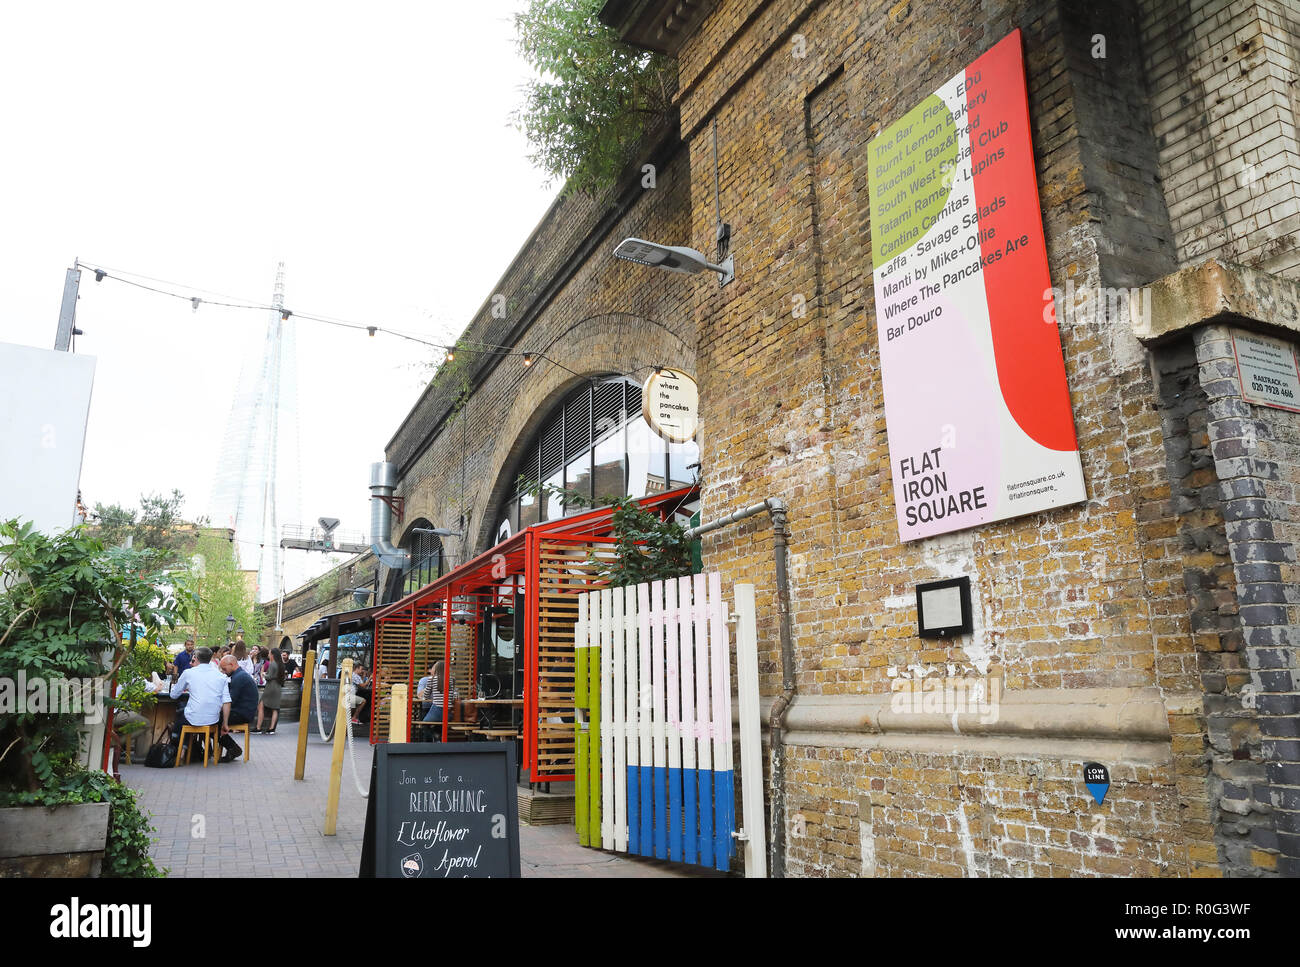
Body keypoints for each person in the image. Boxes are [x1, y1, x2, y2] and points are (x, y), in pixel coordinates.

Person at [169, 646, 231, 761]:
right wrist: (225, 723)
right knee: (186, 713)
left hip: (193, 717)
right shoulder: (221, 676)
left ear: (195, 658)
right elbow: (227, 701)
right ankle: (190, 751)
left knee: (183, 714)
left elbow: (173, 695)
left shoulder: (188, 673)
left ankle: (180, 751)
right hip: (213, 719)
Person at [216, 655, 258, 763]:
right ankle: (232, 748)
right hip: (244, 711)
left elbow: (230, 700)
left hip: (242, 713)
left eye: (224, 668)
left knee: (212, 720)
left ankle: (233, 748)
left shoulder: (239, 678)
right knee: (213, 719)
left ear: (232, 664)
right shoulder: (239, 676)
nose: (223, 671)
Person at [258, 649, 284, 734]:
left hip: (270, 687)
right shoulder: (280, 665)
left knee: (261, 705)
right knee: (275, 708)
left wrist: (264, 674)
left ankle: (258, 727)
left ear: (272, 654)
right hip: (278, 687)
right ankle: (272, 728)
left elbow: (269, 677)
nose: (268, 655)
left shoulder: (272, 664)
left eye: (269, 653)